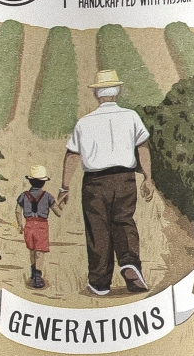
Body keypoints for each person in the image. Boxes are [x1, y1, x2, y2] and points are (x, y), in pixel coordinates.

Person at [57, 71, 155, 296]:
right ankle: (130, 263)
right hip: (125, 179)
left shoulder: (84, 122)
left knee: (97, 229)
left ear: (97, 94)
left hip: (95, 183)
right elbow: (142, 147)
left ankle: (99, 282)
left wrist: (65, 187)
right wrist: (148, 178)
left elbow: (72, 156)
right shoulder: (131, 116)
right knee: (124, 221)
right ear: (117, 91)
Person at [15, 163, 56, 289]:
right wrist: (62, 201)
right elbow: (58, 212)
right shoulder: (47, 196)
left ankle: (33, 272)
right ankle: (38, 277)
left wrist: (20, 225)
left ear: (30, 181)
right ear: (43, 183)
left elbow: (17, 210)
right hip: (41, 226)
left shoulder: (23, 195)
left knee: (32, 249)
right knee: (40, 251)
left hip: (28, 225)